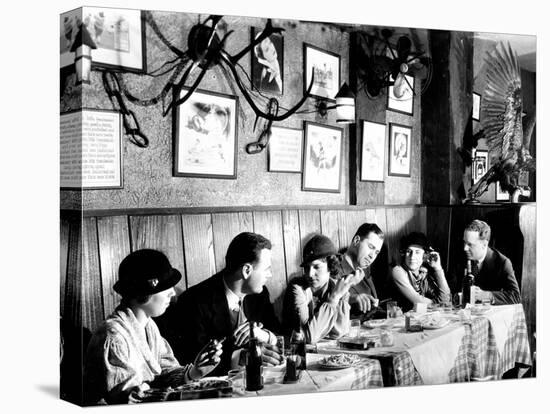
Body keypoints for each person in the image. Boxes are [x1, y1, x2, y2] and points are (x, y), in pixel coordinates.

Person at [83, 249, 223, 405]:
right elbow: (127, 401)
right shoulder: (113, 337)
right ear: (143, 292)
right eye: (166, 287)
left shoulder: (149, 326)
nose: (173, 293)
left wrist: (193, 372)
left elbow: (165, 370)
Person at [162, 232, 283, 377]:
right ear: (246, 270)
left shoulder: (259, 294)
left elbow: (278, 334)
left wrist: (265, 335)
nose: (269, 274)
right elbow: (190, 360)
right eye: (266, 269)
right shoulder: (194, 301)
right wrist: (239, 358)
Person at [282, 234, 358, 344]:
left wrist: (315, 329)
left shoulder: (338, 287)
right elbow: (309, 337)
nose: (310, 274)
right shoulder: (297, 287)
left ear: (331, 266)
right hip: (295, 353)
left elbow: (339, 332)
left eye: (316, 267)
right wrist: (333, 299)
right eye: (307, 268)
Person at [462, 219, 521, 304]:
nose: (465, 248)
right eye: (464, 242)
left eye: (470, 244)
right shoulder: (463, 257)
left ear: (484, 244)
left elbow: (516, 296)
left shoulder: (502, 263)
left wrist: (488, 295)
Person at [390, 232, 451, 311]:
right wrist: (439, 304)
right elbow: (418, 301)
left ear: (425, 255)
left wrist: (438, 268)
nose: (412, 257)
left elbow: (446, 298)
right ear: (404, 253)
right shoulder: (397, 271)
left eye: (417, 252)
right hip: (398, 320)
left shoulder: (423, 273)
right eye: (409, 251)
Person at [340, 223, 385, 316]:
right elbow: (329, 301)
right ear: (356, 240)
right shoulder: (335, 268)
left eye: (376, 252)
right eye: (371, 247)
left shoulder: (364, 267)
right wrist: (352, 299)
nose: (372, 256)